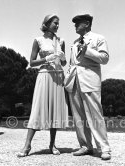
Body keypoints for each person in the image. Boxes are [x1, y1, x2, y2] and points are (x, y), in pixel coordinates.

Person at [17, 14, 68, 157]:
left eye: (58, 23)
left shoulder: (60, 41)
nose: (57, 26)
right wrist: (46, 58)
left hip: (58, 76)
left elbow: (63, 63)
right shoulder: (38, 40)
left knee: (55, 111)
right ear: (47, 23)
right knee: (37, 109)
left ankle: (52, 145)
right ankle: (27, 145)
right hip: (44, 75)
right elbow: (32, 62)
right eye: (54, 23)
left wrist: (63, 59)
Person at [64, 14, 111, 160]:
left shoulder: (98, 38)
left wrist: (87, 51)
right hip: (74, 82)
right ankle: (85, 146)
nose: (75, 26)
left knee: (95, 115)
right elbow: (73, 63)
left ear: (86, 23)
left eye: (78, 23)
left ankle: (104, 148)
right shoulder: (75, 42)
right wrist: (68, 77)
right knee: (78, 116)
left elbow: (105, 58)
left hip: (90, 81)